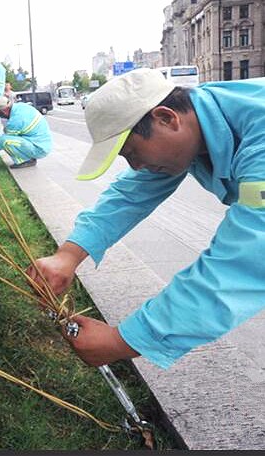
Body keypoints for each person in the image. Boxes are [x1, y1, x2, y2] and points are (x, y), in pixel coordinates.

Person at [27, 68, 265, 370]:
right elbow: (131, 194)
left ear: (166, 118)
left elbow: (245, 260)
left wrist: (122, 341)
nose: (136, 166)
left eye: (132, 152)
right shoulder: (198, 120)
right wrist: (68, 255)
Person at [0, 96, 52, 169]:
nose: (0, 116)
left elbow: (4, 139)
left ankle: (25, 160)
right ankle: (28, 157)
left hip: (38, 148)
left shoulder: (15, 120)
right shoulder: (21, 106)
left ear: (4, 110)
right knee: (7, 138)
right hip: (41, 144)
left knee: (5, 141)